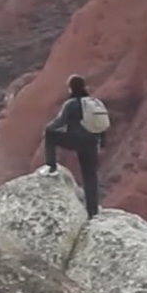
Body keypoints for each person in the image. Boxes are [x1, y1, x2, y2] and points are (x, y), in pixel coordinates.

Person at [42, 74, 110, 216]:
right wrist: (102, 143)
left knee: (50, 135)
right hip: (92, 143)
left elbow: (60, 122)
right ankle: (92, 210)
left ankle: (51, 166)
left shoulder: (71, 104)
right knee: (90, 176)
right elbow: (102, 125)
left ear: (71, 88)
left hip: (76, 140)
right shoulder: (94, 103)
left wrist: (48, 128)